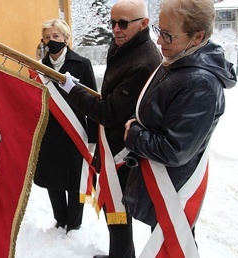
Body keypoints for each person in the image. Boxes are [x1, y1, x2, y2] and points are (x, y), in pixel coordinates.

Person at [115, 0, 236, 256]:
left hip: (172, 187)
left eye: (168, 35)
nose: (159, 42)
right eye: (160, 31)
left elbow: (175, 150)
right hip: (161, 180)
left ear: (198, 36)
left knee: (172, 245)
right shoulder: (180, 58)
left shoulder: (200, 83)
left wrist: (134, 134)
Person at [58, 0, 161, 256]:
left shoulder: (144, 60)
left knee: (119, 211)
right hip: (114, 145)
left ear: (144, 24)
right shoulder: (124, 44)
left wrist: (73, 91)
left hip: (126, 153)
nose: (115, 29)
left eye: (123, 23)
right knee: (115, 214)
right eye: (112, 22)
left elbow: (109, 112)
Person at [33, 19, 98, 233]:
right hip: (50, 134)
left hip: (75, 132)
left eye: (56, 37)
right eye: (48, 37)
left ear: (66, 38)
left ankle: (74, 224)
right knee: (54, 179)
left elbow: (93, 103)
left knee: (75, 179)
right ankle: (60, 221)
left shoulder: (82, 64)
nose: (52, 41)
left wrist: (92, 137)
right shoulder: (40, 68)